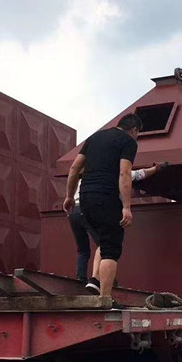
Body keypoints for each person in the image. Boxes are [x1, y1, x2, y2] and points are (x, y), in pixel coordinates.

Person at [63, 113, 142, 299]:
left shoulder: (94, 137)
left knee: (102, 241)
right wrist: (126, 207)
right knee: (111, 249)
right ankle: (105, 299)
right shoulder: (128, 142)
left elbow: (74, 168)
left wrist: (68, 196)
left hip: (84, 199)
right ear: (134, 130)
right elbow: (124, 173)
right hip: (106, 198)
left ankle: (94, 280)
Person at [67, 163, 167, 285]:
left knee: (82, 249)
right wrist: (155, 169)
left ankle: (80, 279)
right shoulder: (115, 173)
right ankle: (101, 279)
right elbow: (139, 174)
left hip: (73, 212)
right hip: (86, 208)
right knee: (105, 243)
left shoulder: (90, 175)